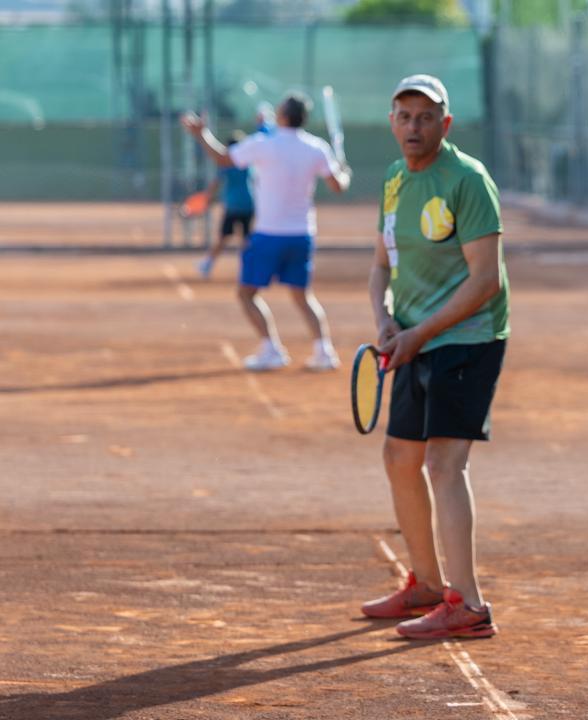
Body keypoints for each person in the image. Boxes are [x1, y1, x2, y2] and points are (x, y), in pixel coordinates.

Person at [358, 74, 509, 641]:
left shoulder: (467, 180)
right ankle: (423, 583)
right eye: (404, 115)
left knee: (444, 464)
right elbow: (380, 264)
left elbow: (485, 281)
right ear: (391, 123)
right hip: (414, 339)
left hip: (467, 338)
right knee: (400, 458)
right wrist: (385, 320)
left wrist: (417, 333)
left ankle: (467, 603)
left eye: (426, 117)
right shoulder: (395, 180)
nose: (414, 126)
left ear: (445, 124)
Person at [181, 92, 349, 372]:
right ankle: (324, 351)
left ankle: (271, 349)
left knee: (246, 294)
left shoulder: (264, 144)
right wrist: (345, 173)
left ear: (282, 116)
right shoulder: (316, 148)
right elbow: (338, 185)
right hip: (302, 235)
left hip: (269, 234)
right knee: (302, 296)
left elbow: (223, 158)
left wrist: (201, 134)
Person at [195, 131, 254, 280]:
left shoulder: (227, 164)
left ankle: (207, 264)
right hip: (249, 203)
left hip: (233, 205)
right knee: (246, 240)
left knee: (223, 237)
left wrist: (208, 198)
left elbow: (216, 183)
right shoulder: (247, 163)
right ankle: (247, 269)